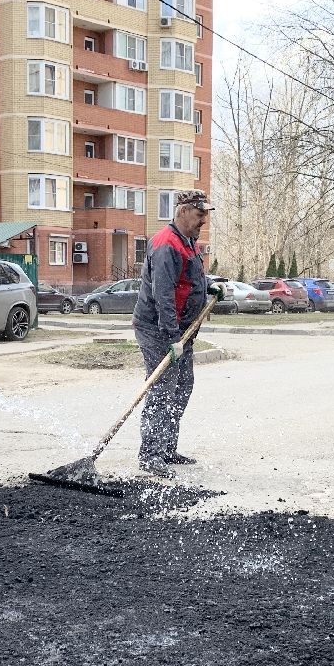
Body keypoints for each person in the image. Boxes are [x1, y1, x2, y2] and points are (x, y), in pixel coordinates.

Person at [132, 189, 213, 477]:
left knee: (182, 386)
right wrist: (171, 338)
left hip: (182, 331)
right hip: (158, 329)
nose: (204, 219)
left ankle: (166, 447)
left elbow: (189, 279)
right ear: (182, 211)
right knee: (162, 389)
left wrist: (211, 285)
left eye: (205, 214)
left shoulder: (188, 241)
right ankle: (150, 455)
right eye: (199, 213)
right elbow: (163, 294)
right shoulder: (166, 244)